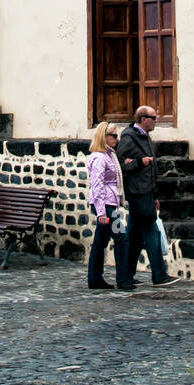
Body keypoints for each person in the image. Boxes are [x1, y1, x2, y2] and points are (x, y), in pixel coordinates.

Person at [115, 106, 179, 288]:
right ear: (143, 119)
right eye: (153, 118)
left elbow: (151, 169)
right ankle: (159, 275)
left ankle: (126, 274)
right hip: (138, 193)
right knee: (152, 231)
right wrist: (137, 163)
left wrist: (155, 194)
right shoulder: (129, 137)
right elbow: (119, 164)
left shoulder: (145, 137)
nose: (156, 121)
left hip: (146, 193)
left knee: (135, 236)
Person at [86, 122, 132, 291]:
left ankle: (95, 278)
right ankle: (123, 279)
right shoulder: (99, 157)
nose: (116, 139)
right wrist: (101, 212)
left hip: (109, 203)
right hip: (105, 206)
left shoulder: (109, 154)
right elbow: (97, 185)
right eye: (113, 135)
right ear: (103, 136)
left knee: (100, 241)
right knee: (121, 237)